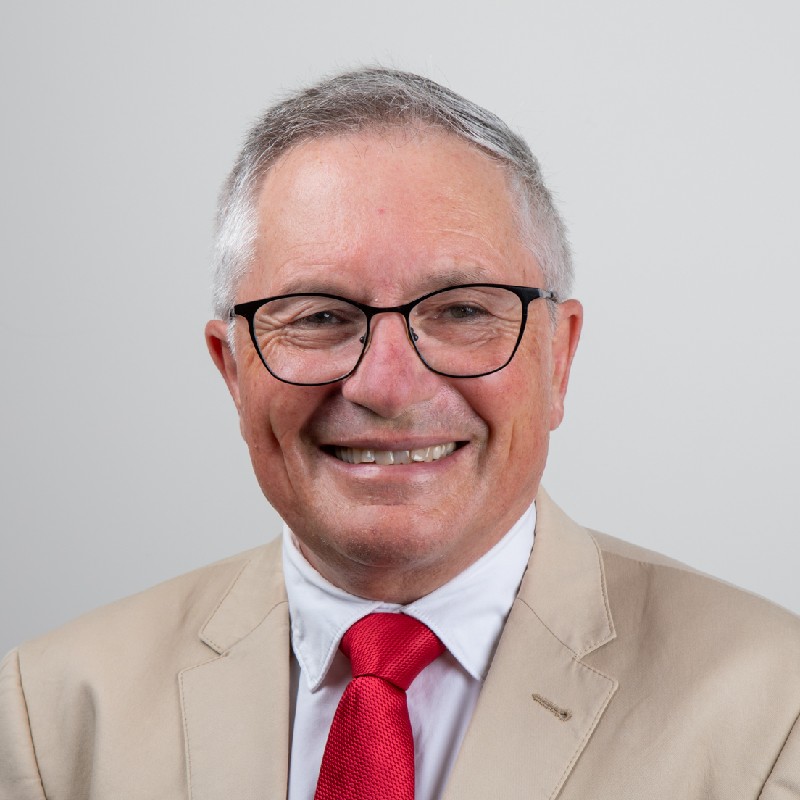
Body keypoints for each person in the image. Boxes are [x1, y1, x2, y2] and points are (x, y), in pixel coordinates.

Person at [1, 68, 798, 800]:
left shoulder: (774, 716)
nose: (385, 385)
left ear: (559, 358)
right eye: (319, 316)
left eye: (460, 310)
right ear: (233, 369)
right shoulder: (49, 718)